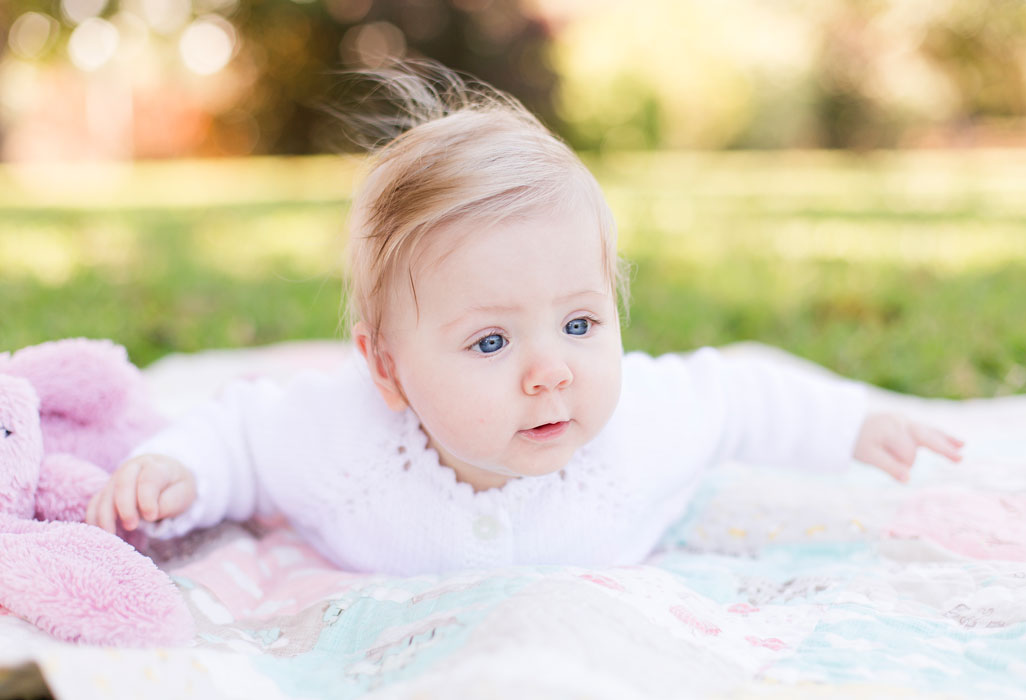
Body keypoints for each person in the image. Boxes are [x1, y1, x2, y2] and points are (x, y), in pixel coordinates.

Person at [86, 64, 963, 575]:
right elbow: (243, 438)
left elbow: (738, 398)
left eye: (580, 324)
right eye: (493, 342)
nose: (551, 370)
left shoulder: (644, 430)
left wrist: (855, 422)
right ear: (386, 370)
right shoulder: (340, 444)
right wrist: (174, 473)